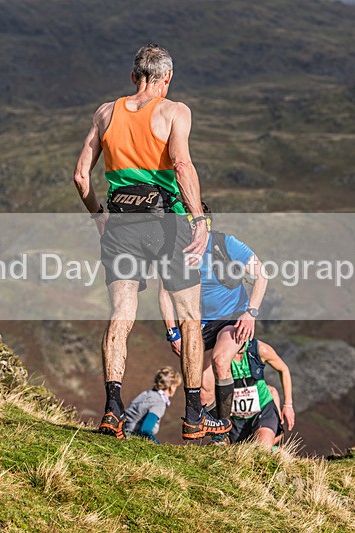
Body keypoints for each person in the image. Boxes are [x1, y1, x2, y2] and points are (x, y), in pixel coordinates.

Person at [73, 43, 231, 441]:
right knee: (190, 320)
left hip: (122, 225)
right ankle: (195, 416)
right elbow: (181, 165)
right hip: (167, 226)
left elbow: (80, 177)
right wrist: (199, 219)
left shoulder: (105, 112)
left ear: (133, 77)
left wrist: (100, 217)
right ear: (167, 78)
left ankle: (112, 410)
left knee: (121, 316)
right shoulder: (175, 111)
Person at [158, 205, 268, 425]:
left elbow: (262, 274)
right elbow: (164, 293)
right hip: (198, 323)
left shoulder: (225, 244)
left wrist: (250, 313)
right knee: (203, 389)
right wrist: (173, 333)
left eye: (193, 224)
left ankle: (225, 426)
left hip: (233, 317)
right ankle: (213, 434)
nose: (188, 230)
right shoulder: (174, 252)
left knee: (220, 360)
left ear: (204, 224)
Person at [227, 339, 295, 450]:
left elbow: (284, 369)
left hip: (263, 409)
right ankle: (275, 452)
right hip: (235, 418)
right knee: (238, 453)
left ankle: (271, 448)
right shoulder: (219, 354)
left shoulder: (261, 350)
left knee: (262, 449)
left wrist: (288, 405)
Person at [124, 367, 182, 443]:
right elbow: (145, 431)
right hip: (132, 435)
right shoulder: (159, 403)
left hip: (122, 430)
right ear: (171, 387)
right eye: (175, 386)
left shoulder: (146, 394)